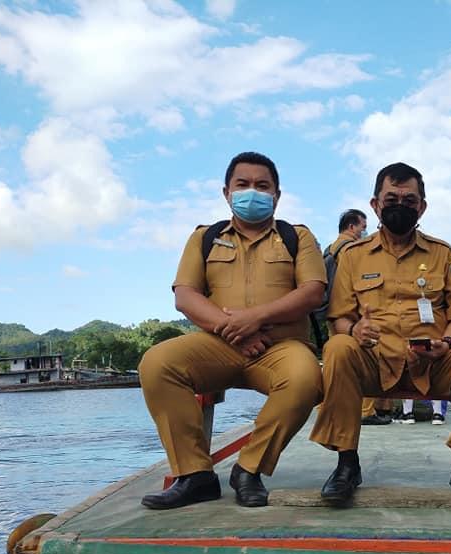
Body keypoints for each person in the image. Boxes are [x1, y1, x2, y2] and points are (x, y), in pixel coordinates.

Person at [138, 152, 326, 510]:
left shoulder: (296, 237)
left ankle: (249, 469)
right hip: (217, 345)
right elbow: (185, 295)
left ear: (277, 195)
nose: (252, 192)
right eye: (243, 185)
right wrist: (234, 329)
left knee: (305, 379)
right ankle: (194, 475)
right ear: (226, 192)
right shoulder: (203, 238)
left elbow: (313, 291)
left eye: (262, 186)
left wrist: (255, 319)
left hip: (281, 347)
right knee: (157, 363)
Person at [309, 162, 451, 509]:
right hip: (374, 359)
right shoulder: (352, 256)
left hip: (433, 361)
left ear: (422, 207)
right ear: (375, 204)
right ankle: (346, 464)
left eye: (409, 200)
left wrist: (448, 343)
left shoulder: (444, 254)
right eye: (391, 198)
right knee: (337, 346)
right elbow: (338, 317)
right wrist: (354, 329)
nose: (400, 205)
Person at [332, 209, 394, 427]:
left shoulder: (331, 248)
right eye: (362, 226)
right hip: (353, 316)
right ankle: (366, 411)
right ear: (352, 227)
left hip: (336, 316)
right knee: (364, 352)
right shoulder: (350, 250)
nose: (364, 231)